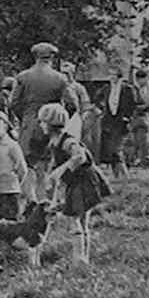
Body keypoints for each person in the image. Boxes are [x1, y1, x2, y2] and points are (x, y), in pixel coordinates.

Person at [39, 103, 110, 264]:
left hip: (83, 181)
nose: (41, 125)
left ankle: (80, 259)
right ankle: (83, 258)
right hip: (76, 181)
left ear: (52, 123)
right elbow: (56, 164)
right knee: (80, 220)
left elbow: (80, 157)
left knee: (75, 219)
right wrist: (53, 178)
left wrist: (60, 171)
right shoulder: (54, 141)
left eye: (43, 121)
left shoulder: (67, 141)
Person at [10, 42, 78, 199]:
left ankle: (30, 202)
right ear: (52, 57)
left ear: (35, 57)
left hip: (28, 126)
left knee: (27, 166)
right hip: (51, 127)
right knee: (47, 165)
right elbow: (72, 104)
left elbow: (13, 103)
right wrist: (57, 119)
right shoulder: (60, 78)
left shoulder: (22, 77)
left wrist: (25, 119)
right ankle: (45, 203)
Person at [93, 65, 138, 179]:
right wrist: (101, 109)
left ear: (119, 76)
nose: (111, 77)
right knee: (109, 150)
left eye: (114, 75)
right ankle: (116, 176)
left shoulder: (127, 88)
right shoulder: (106, 88)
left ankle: (125, 175)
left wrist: (127, 117)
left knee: (116, 149)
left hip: (121, 122)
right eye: (110, 75)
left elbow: (133, 104)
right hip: (108, 122)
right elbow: (96, 99)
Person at [0, 110, 30, 220]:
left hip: (9, 191)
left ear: (5, 126)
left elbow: (22, 169)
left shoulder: (12, 146)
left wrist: (14, 183)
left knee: (9, 222)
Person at [130, 68, 149, 167]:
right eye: (139, 79)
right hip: (135, 116)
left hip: (144, 115)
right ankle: (135, 159)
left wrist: (145, 107)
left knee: (144, 139)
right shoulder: (134, 88)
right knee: (135, 140)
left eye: (143, 78)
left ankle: (146, 160)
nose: (141, 81)